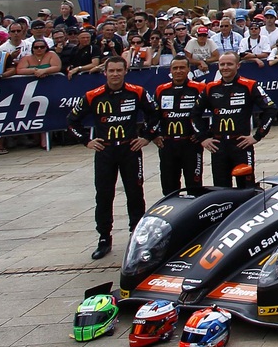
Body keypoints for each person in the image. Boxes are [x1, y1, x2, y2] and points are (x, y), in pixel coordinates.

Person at [67, 56, 157, 260]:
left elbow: (155, 114)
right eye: (111, 71)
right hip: (105, 151)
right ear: (104, 73)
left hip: (130, 150)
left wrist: (146, 137)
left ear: (126, 71)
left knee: (135, 193)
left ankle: (137, 236)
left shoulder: (137, 92)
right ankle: (104, 238)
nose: (115, 74)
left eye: (119, 70)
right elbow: (72, 121)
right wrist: (87, 141)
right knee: (104, 195)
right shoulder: (93, 95)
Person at [201, 52, 276, 186]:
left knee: (246, 187)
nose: (225, 67)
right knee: (221, 189)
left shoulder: (250, 85)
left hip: (241, 145)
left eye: (229, 64)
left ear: (238, 65)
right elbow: (194, 114)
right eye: (222, 64)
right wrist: (203, 138)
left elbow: (270, 108)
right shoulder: (210, 88)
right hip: (219, 146)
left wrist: (258, 136)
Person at [151, 53, 210, 196]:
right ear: (170, 71)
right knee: (169, 187)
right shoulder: (161, 89)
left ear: (188, 69)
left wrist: (204, 134)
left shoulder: (200, 88)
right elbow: (153, 115)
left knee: (194, 186)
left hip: (191, 143)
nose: (178, 71)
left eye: (182, 68)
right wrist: (154, 135)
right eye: (175, 68)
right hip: (168, 145)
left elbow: (215, 111)